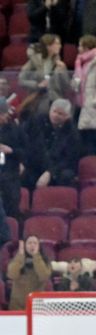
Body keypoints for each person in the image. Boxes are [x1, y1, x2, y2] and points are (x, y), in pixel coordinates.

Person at [22, 98, 80, 189]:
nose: (56, 115)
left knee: (66, 176)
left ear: (68, 116)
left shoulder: (72, 133)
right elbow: (23, 141)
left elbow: (68, 159)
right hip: (36, 163)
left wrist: (50, 172)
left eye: (60, 114)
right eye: (54, 112)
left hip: (58, 167)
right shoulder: (36, 121)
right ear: (49, 110)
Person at [18, 34, 71, 122]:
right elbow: (21, 80)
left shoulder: (59, 62)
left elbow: (66, 86)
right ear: (48, 46)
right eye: (57, 44)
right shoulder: (34, 61)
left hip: (55, 102)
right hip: (40, 102)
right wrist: (37, 85)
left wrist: (63, 70)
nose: (60, 46)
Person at [6, 236, 53, 311]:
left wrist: (36, 256)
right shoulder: (18, 258)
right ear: (25, 246)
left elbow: (44, 276)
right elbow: (11, 274)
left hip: (36, 305)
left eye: (35, 243)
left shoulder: (44, 261)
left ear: (39, 246)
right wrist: (20, 256)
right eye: (29, 243)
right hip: (17, 305)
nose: (32, 245)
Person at [0, 96, 25, 233]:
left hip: (10, 176)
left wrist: (11, 150)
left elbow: (26, 151)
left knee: (11, 211)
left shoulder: (15, 129)